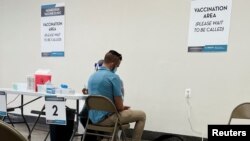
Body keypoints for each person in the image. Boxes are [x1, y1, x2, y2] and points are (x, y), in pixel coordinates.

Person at [87, 50, 146, 141]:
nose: (117, 68)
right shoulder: (113, 77)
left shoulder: (92, 76)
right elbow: (119, 107)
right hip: (108, 119)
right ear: (112, 64)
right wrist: (123, 107)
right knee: (142, 115)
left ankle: (108, 138)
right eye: (117, 66)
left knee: (114, 116)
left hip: (93, 119)